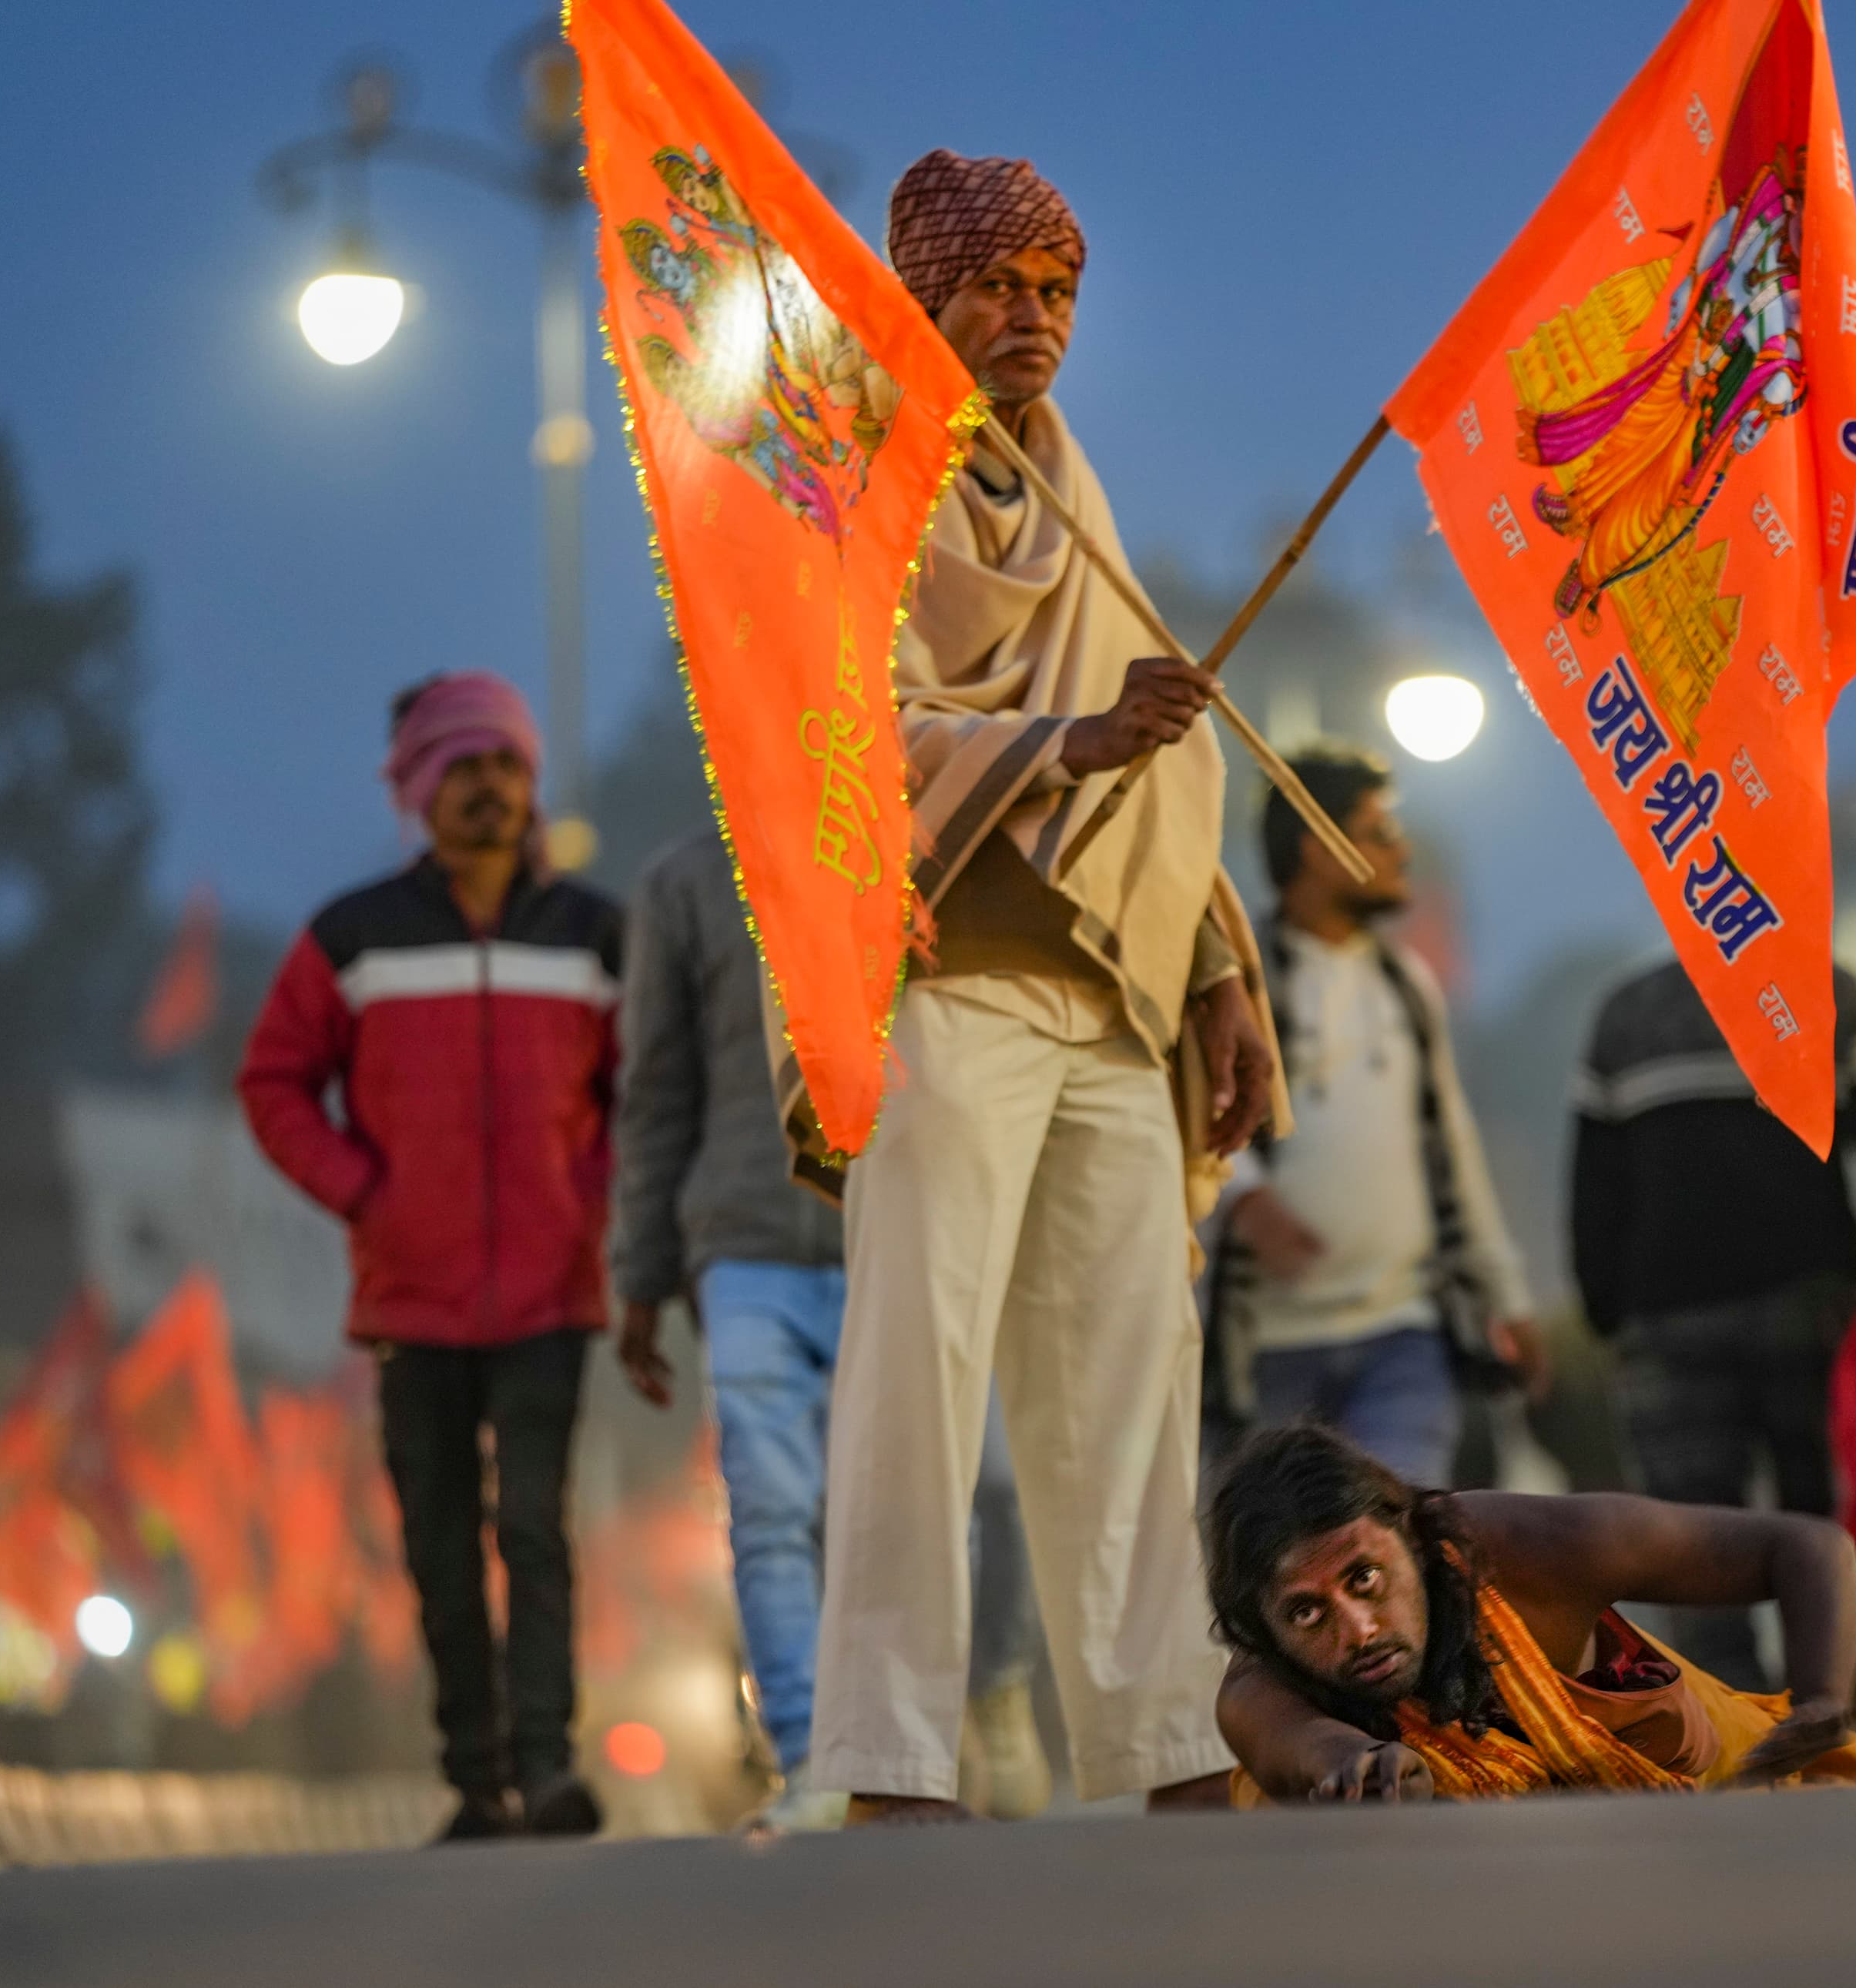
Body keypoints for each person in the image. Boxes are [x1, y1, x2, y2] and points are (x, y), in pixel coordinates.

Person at [800, 151, 1282, 1822]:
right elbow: (839, 730)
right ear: (922, 303)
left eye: (1058, 290)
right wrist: (1067, 739)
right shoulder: (857, 481)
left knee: (1137, 1387)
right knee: (915, 1375)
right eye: (998, 287)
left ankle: (1167, 1748)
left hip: (1114, 1004)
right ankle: (888, 1764)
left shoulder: (1072, 490)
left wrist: (1217, 972)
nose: (1034, 318)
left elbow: (1160, 776)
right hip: (948, 982)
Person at [237, 673, 619, 1842]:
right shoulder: (353, 937)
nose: (489, 787)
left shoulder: (594, 934)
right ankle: (477, 1779)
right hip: (411, 1296)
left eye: (506, 764)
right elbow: (272, 1082)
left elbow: (644, 1089)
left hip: (552, 1293)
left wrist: (589, 1202)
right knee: (440, 1541)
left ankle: (549, 1767)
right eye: (464, 767)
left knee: (536, 1527)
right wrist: (365, 1192)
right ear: (417, 788)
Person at [609, 827, 1047, 1829]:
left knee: (962, 1493)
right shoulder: (684, 880)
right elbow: (657, 1086)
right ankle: (817, 1759)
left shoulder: (914, 837)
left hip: (905, 1220)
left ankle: (973, 1698)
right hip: (748, 1241)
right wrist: (640, 1270)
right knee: (772, 1509)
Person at [1568, 956, 1856, 1686]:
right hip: (1810, 1309)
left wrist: (1606, 1308)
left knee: (1691, 1544)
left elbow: (1595, 1181)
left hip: (1666, 1320)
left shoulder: (1627, 1013)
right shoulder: (1831, 992)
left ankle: (1732, 1723)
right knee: (1827, 1531)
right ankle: (1828, 1710)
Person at [1203, 1421, 1856, 1802]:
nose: (1359, 1631)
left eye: (1365, 1578)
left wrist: (1825, 1698)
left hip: (1762, 1817)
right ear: (1263, 1629)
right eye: (1307, 1615)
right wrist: (1360, 1767)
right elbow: (1308, 1749)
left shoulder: (1523, 1546)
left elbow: (1807, 1547)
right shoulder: (1257, 1693)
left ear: (1411, 1537)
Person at [1202, 746, 1538, 1487]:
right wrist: (1245, 1198)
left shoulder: (1406, 984)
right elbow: (1191, 1110)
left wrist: (1507, 1297)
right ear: (1317, 849)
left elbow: (1452, 1146)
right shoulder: (1237, 979)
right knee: (1285, 1543)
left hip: (1404, 1334)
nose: (1401, 852)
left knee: (1392, 1521)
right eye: (1378, 833)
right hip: (1266, 1349)